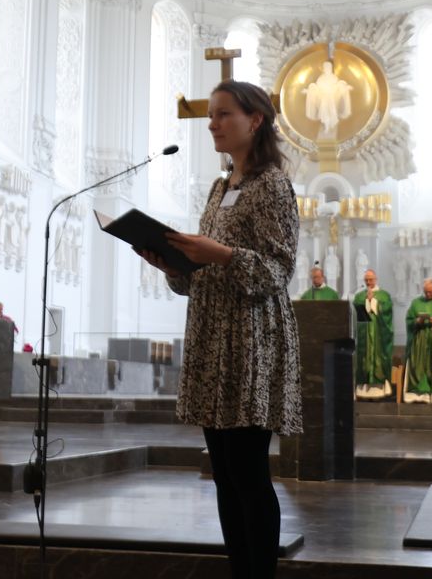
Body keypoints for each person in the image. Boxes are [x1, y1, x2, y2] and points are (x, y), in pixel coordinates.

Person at [136, 79, 301, 579]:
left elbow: (277, 269)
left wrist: (219, 254)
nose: (212, 124)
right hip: (213, 340)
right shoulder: (218, 187)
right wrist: (172, 264)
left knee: (250, 474)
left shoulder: (272, 184)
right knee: (225, 476)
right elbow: (205, 271)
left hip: (251, 342)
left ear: (255, 121)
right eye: (210, 115)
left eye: (222, 114)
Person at [352, 269, 394, 400]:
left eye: (370, 279)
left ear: (376, 279)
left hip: (379, 335)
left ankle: (379, 390)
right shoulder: (359, 296)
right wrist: (366, 300)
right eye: (366, 280)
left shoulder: (384, 295)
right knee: (364, 358)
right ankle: (363, 390)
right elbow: (358, 309)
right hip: (364, 334)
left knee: (379, 358)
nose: (368, 282)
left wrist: (373, 301)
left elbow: (387, 311)